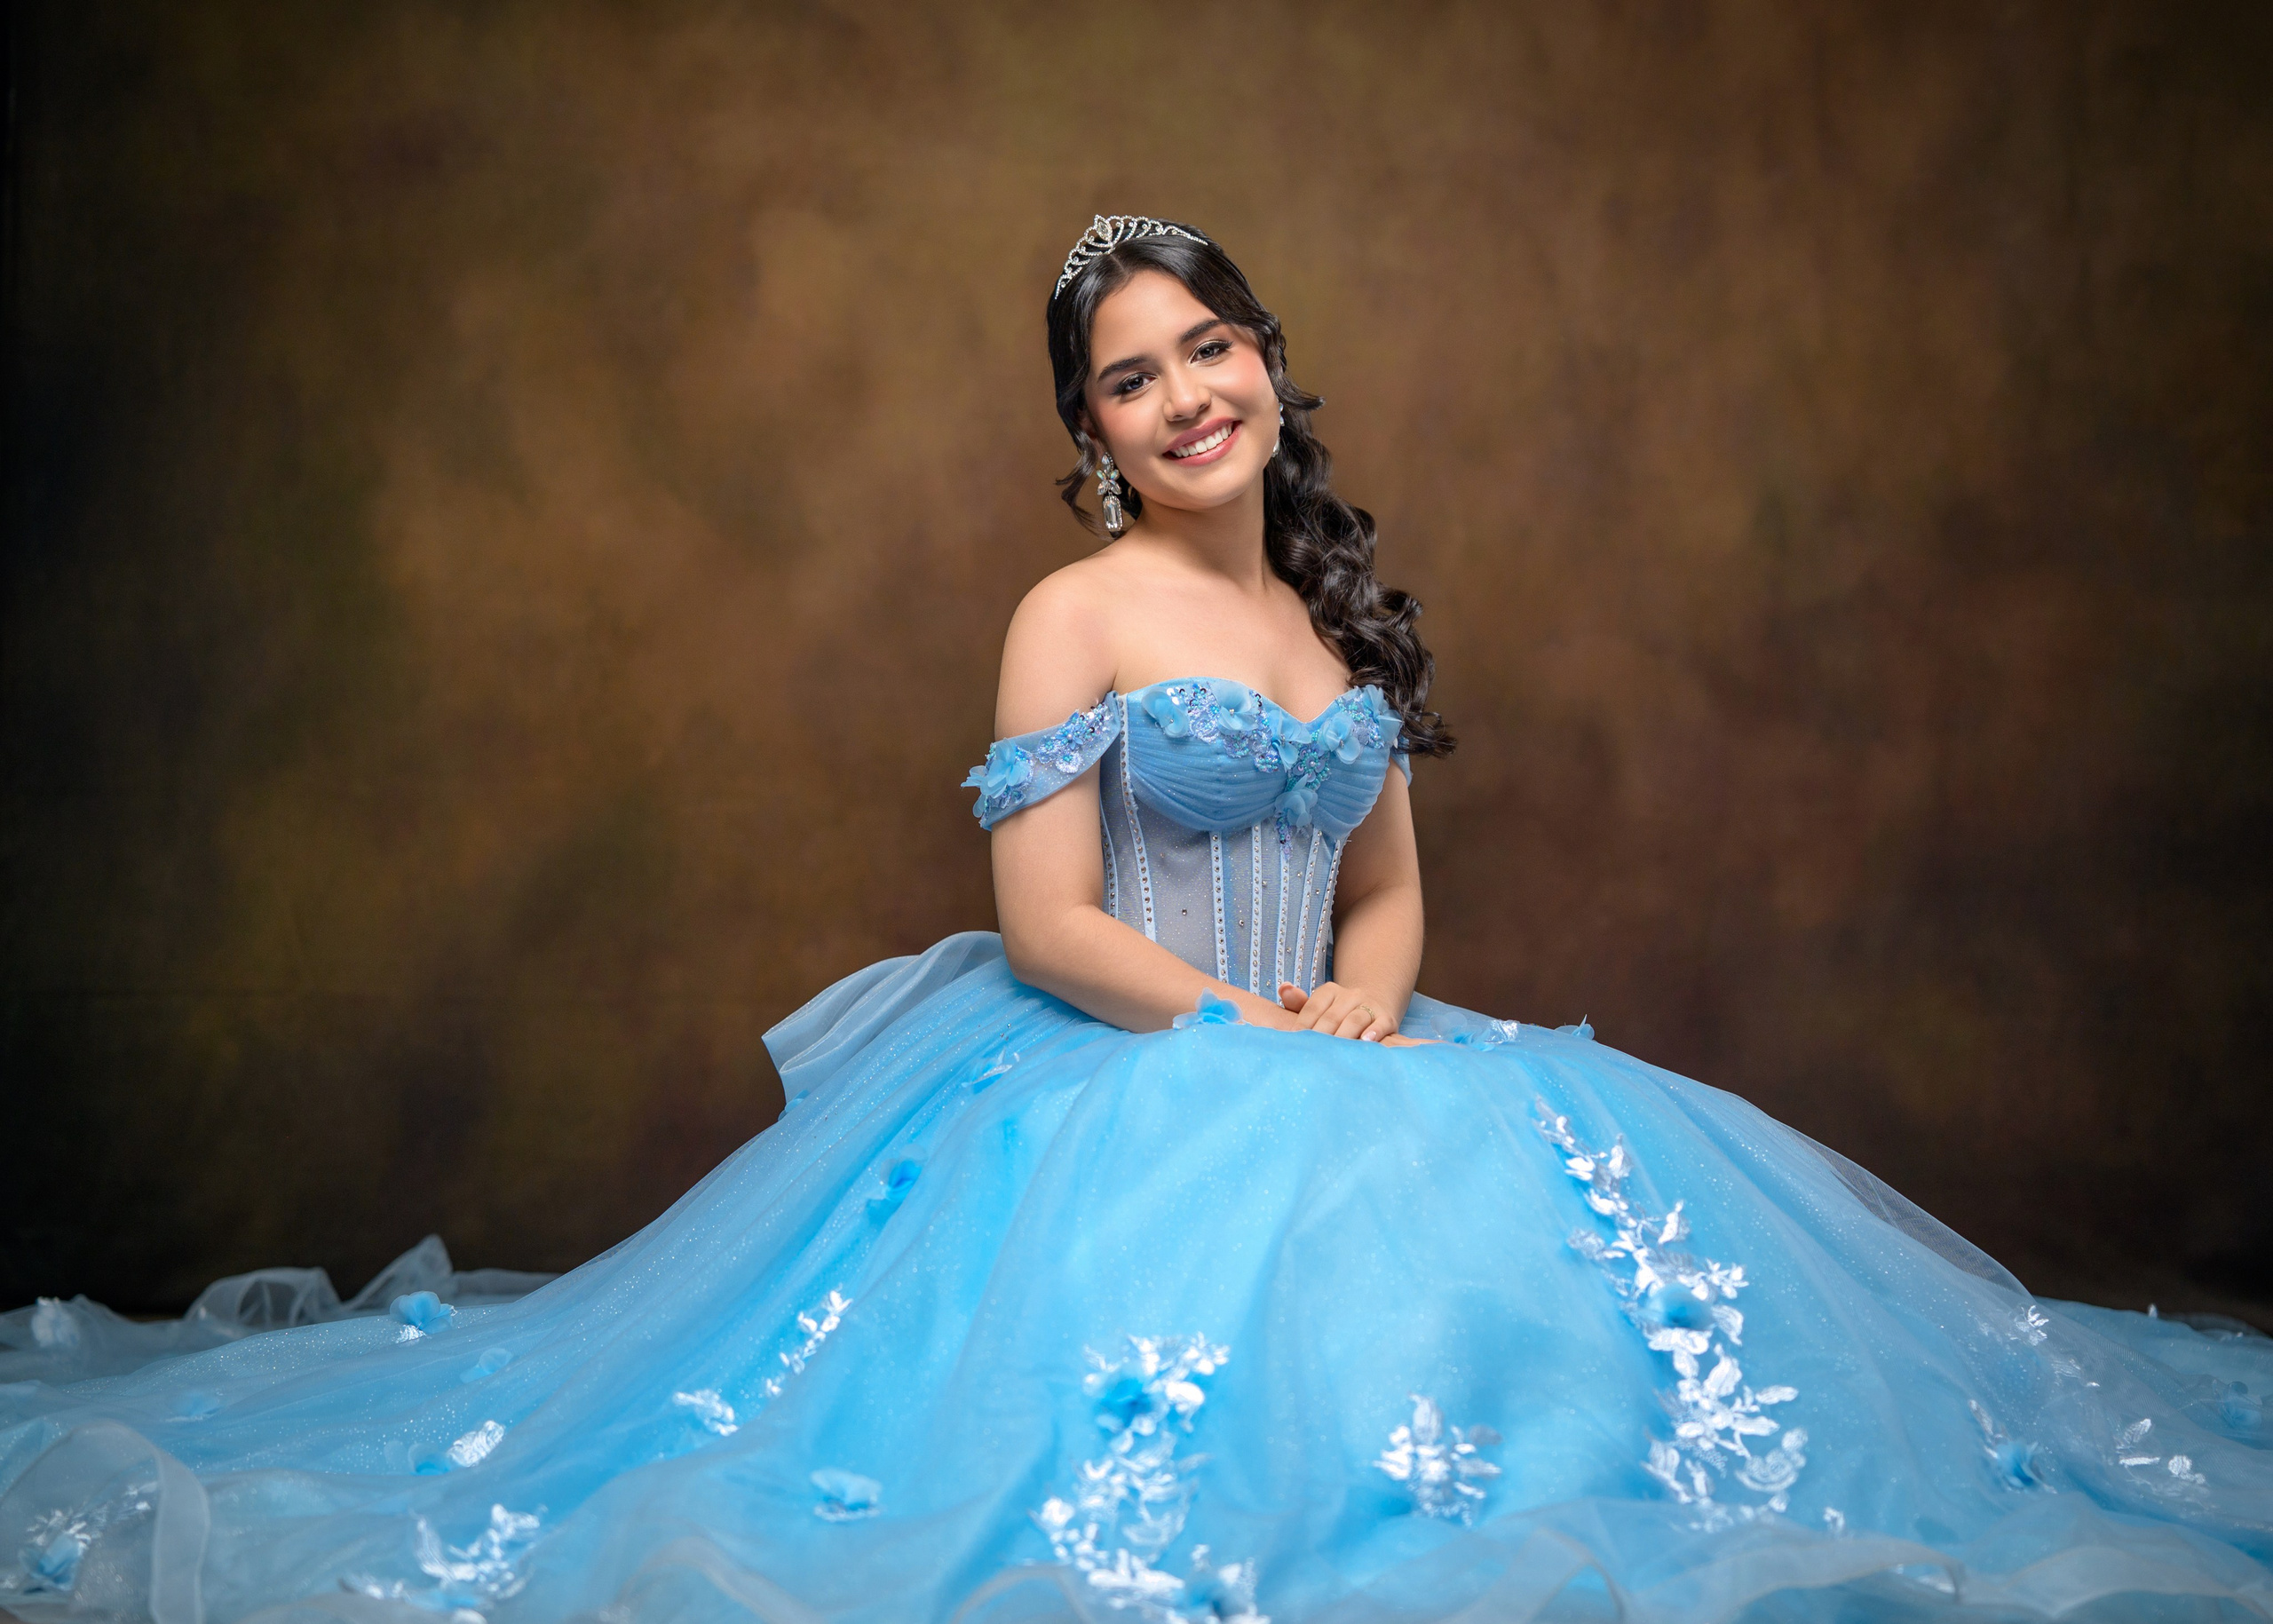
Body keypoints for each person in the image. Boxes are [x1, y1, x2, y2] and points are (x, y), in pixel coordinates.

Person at [2, 215, 2268, 1624]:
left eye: (1210, 349)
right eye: (1130, 376)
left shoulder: (1333, 620)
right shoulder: (1068, 612)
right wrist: (1252, 1040)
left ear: (1265, 360)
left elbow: (1388, 898)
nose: (1185, 396)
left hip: (1335, 1040)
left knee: (1564, 1338)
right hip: (1116, 1054)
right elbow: (1046, 919)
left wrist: (1365, 1018)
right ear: (1089, 430)